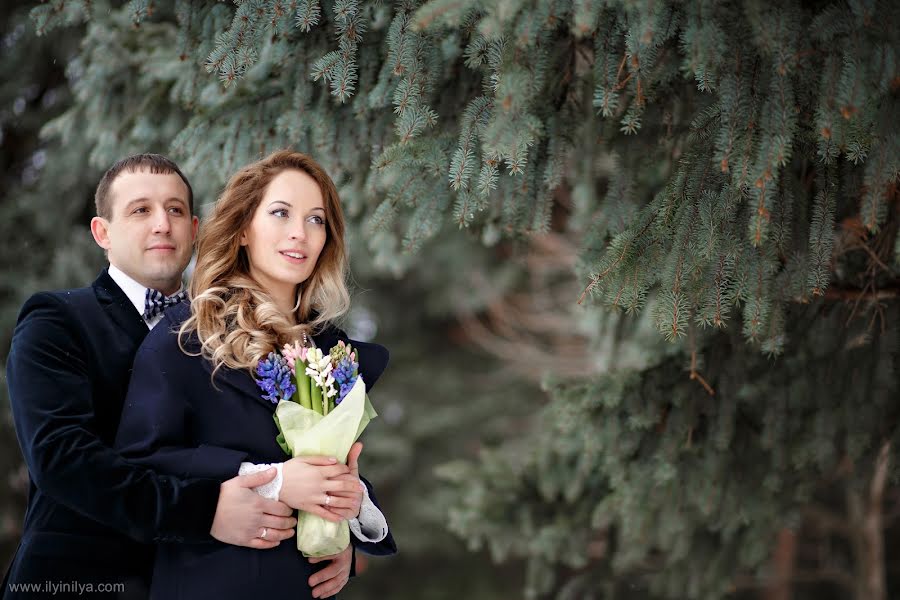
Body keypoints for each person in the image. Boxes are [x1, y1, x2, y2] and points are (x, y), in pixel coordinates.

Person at [2, 154, 379, 599]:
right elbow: (61, 459)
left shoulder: (225, 329)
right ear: (102, 232)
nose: (163, 224)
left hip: (196, 576)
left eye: (176, 210)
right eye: (141, 210)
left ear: (196, 229)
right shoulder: (60, 319)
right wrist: (206, 511)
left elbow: (274, 449)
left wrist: (334, 527)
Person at [113, 150, 396, 599]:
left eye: (316, 220)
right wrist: (276, 481)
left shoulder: (333, 352)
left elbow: (334, 471)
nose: (299, 233)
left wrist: (352, 505)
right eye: (281, 213)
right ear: (243, 229)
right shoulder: (184, 337)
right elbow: (140, 465)